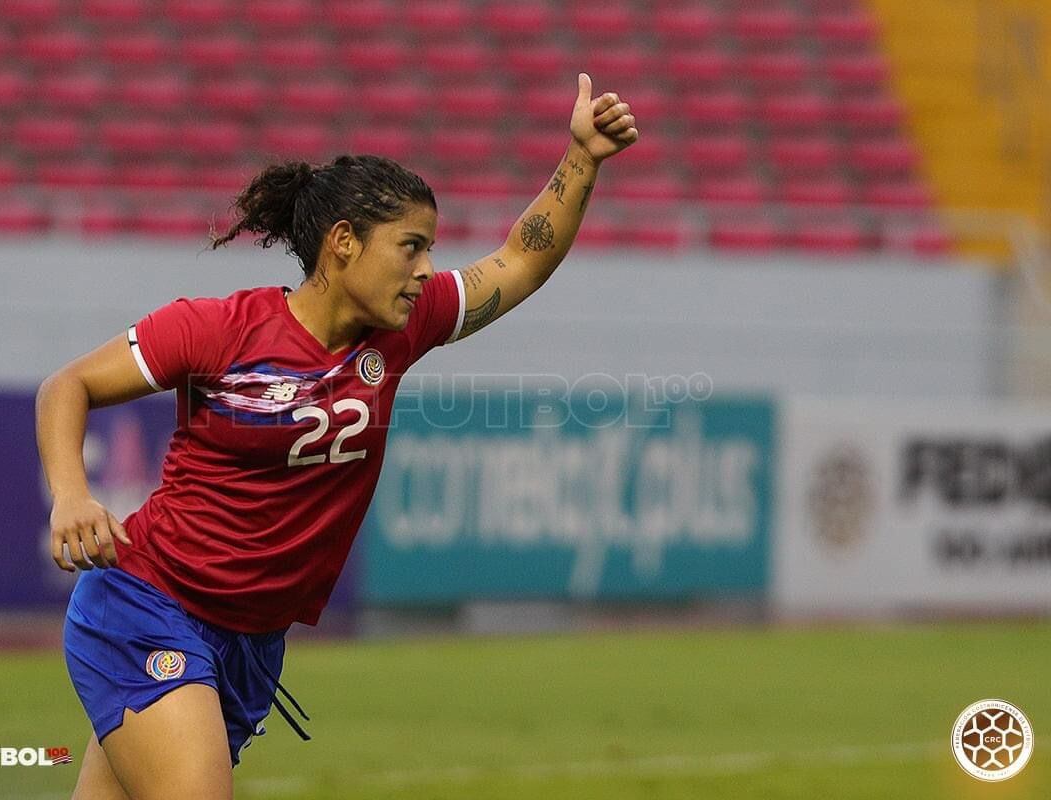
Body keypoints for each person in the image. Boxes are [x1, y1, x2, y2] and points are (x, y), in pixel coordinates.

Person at [35, 72, 637, 800]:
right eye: (410, 247)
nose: (425, 270)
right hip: (149, 606)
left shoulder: (403, 329)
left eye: (430, 250)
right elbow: (68, 386)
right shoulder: (217, 329)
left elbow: (520, 260)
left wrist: (582, 157)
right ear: (344, 242)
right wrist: (72, 495)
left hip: (251, 643)